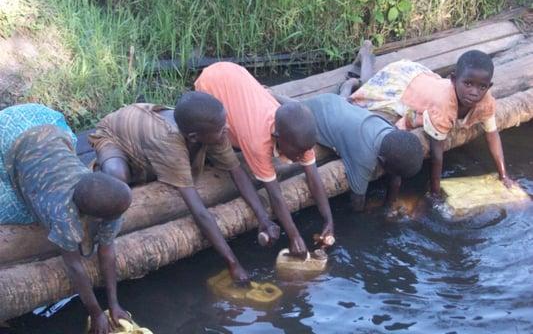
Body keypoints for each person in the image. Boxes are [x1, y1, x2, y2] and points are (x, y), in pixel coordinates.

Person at [88, 92, 280, 284]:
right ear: (194, 137)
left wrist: (264, 218)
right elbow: (199, 211)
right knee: (118, 178)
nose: (227, 129)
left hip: (146, 135)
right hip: (113, 135)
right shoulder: (169, 139)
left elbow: (236, 171)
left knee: (177, 165)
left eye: (224, 124)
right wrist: (233, 263)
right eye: (222, 129)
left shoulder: (214, 128)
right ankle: (96, 185)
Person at [0, 104, 132, 334]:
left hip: (48, 125)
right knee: (12, 206)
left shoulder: (103, 195)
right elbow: (74, 265)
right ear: (93, 216)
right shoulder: (61, 214)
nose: (118, 218)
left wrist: (113, 304)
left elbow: (107, 250)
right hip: (9, 134)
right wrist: (94, 311)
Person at [340, 42, 513, 201]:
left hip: (423, 82)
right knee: (358, 99)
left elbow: (492, 134)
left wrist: (503, 174)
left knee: (369, 84)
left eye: (481, 87)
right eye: (468, 84)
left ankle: (364, 61)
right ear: (453, 80)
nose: (474, 92)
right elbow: (437, 155)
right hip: (403, 84)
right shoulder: (444, 104)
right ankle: (351, 81)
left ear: (488, 87)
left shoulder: (486, 101)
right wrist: (435, 191)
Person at [195, 62, 334, 257]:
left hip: (237, 73)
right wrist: (294, 236)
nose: (302, 156)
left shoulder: (301, 136)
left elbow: (313, 177)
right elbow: (275, 195)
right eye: (297, 152)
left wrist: (328, 220)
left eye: (304, 152)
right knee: (225, 143)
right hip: (212, 84)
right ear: (277, 136)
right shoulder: (257, 142)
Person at [273, 92, 424, 213]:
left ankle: (346, 87)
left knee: (305, 106)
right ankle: (271, 94)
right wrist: (363, 215)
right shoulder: (364, 158)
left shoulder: (389, 130)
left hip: (334, 101)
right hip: (316, 116)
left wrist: (389, 204)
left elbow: (395, 175)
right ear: (381, 161)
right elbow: (357, 200)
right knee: (292, 111)